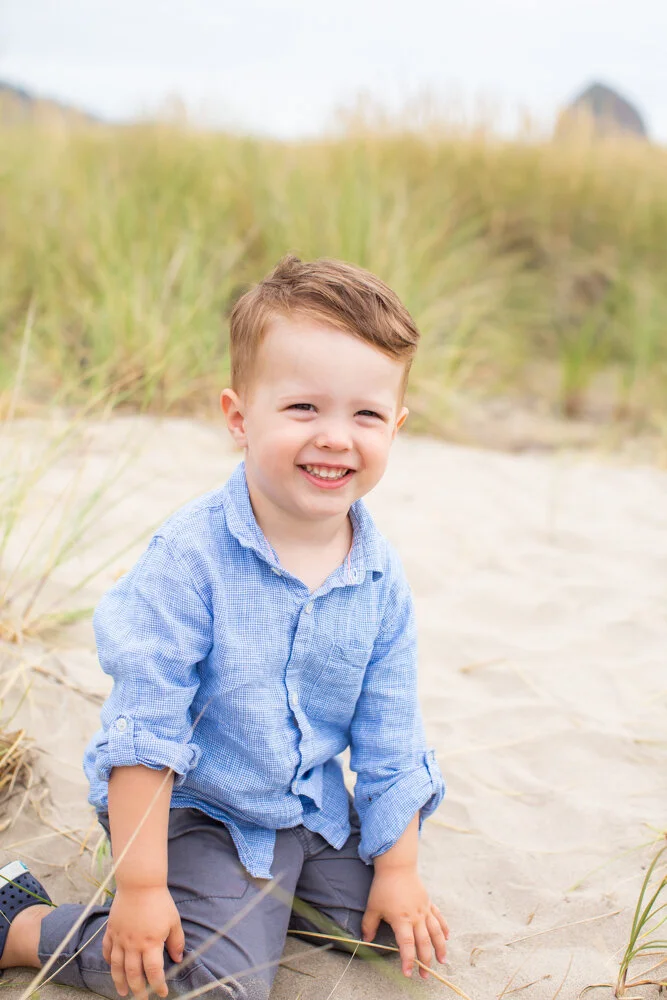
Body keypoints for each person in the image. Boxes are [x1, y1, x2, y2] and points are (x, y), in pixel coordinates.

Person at [0, 255, 448, 1000]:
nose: (336, 437)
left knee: (383, 934)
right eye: (304, 409)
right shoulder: (189, 561)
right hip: (193, 810)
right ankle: (22, 923)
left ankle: (264, 901)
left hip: (304, 807)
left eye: (365, 414)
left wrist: (397, 871)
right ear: (240, 418)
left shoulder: (378, 577)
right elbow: (145, 734)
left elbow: (389, 732)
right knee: (215, 980)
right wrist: (143, 890)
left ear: (395, 427)